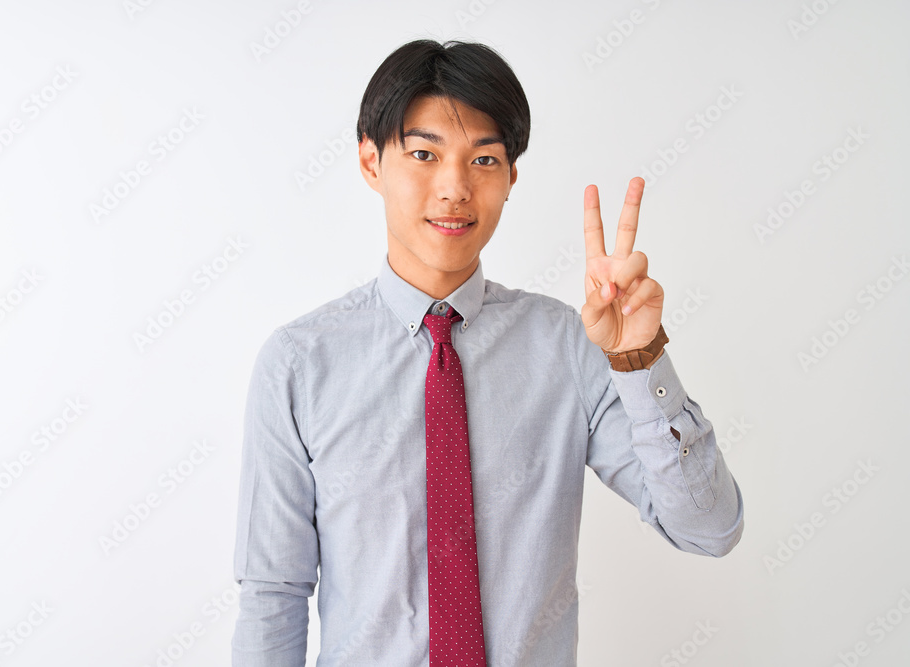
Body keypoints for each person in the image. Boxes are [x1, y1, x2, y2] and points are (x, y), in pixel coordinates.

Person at [232, 38, 744, 666]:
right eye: (424, 153)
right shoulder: (298, 364)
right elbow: (274, 595)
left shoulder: (570, 348)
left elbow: (709, 529)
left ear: (510, 178)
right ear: (371, 162)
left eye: (484, 160)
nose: (454, 188)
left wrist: (641, 361)